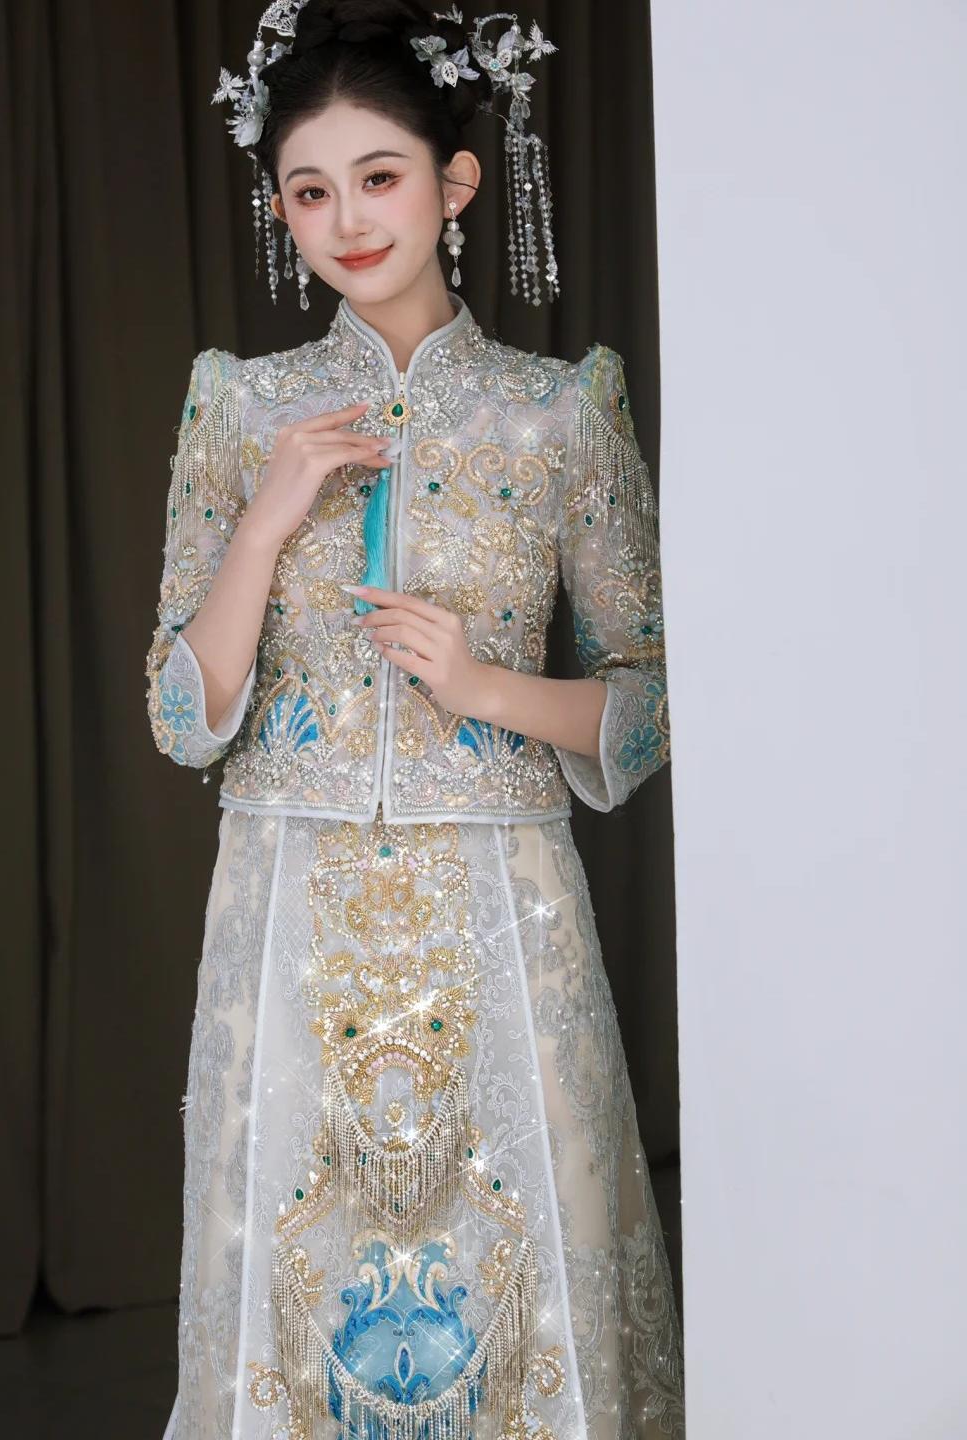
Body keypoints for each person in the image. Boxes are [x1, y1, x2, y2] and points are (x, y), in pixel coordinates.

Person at [149, 3, 682, 1437]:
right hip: (290, 910)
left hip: (501, 908)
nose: (347, 220)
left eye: (378, 177)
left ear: (455, 184)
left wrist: (485, 687)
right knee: (294, 1308)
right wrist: (267, 520)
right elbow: (183, 716)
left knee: (529, 1298)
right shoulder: (241, 410)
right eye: (309, 191)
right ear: (280, 211)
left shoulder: (561, 414)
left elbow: (648, 706)